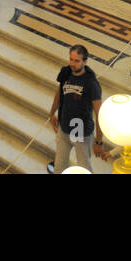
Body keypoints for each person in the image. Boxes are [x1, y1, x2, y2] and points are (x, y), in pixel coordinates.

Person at [46, 44, 103, 174]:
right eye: (71, 59)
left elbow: (99, 113)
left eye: (76, 60)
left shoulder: (91, 83)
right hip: (64, 129)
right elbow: (59, 92)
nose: (72, 63)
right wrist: (51, 113)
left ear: (85, 61)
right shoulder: (66, 72)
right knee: (59, 168)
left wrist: (99, 142)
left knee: (84, 170)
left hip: (81, 133)